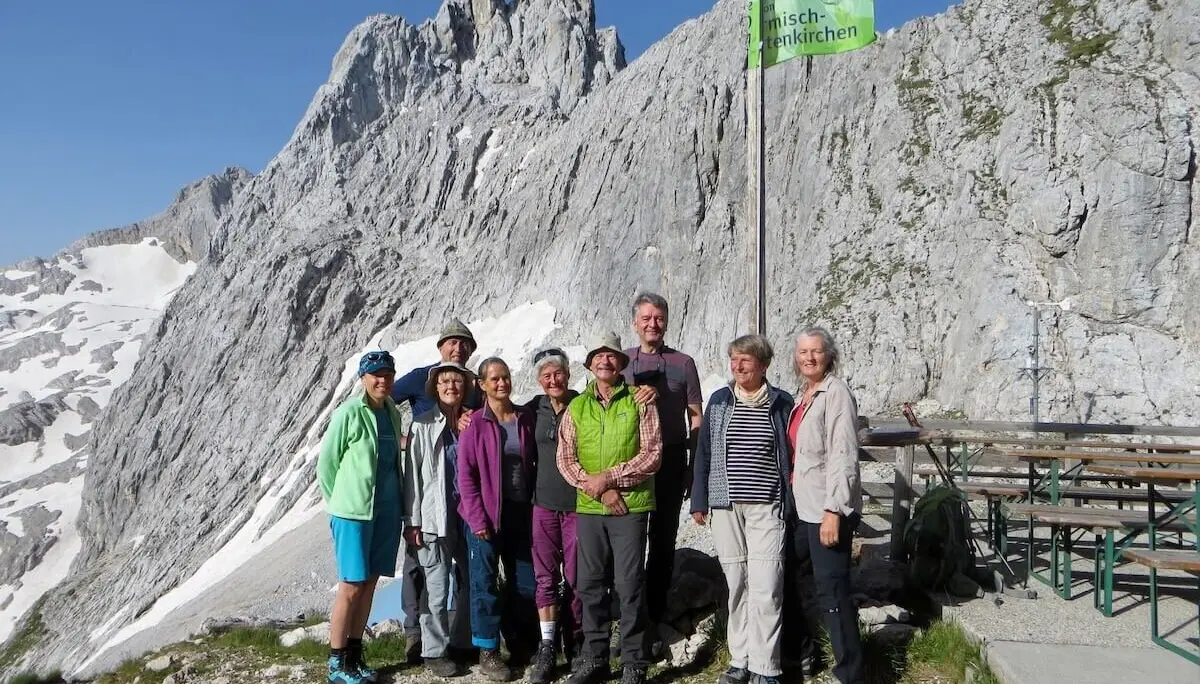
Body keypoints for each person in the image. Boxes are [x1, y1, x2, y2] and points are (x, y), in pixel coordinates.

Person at [558, 332, 662, 684]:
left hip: (630, 507)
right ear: (590, 365)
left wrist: (609, 478)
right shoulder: (576, 407)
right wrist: (599, 489)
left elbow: (652, 455)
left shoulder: (640, 401)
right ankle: (596, 657)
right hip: (591, 508)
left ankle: (634, 661)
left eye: (612, 356)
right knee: (588, 585)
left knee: (629, 585)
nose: (605, 361)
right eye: (598, 356)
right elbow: (565, 459)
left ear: (621, 363)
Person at [691, 335, 795, 684]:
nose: (737, 366)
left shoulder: (781, 403)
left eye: (745, 360)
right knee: (737, 583)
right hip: (726, 506)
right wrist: (699, 499)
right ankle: (740, 660)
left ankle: (766, 667)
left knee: (767, 585)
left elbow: (792, 453)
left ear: (763, 365)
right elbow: (704, 452)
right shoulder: (720, 400)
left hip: (768, 505)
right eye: (733, 359)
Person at [391, 318, 481, 662]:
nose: (458, 348)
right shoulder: (421, 379)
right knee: (423, 571)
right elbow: (385, 400)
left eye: (464, 344)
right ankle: (417, 637)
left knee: (461, 573)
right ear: (441, 346)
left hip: (461, 503)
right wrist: (401, 439)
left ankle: (458, 640)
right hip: (429, 498)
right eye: (452, 342)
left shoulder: (473, 388)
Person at [317, 350, 406, 684]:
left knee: (369, 584)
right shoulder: (349, 413)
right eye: (376, 375)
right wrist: (341, 502)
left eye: (387, 374)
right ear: (363, 378)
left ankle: (354, 657)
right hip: (353, 514)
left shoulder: (392, 412)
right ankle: (336, 663)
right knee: (351, 586)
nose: (382, 380)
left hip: (386, 511)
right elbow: (327, 464)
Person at [784, 327, 864, 684]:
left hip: (827, 509)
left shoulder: (836, 393)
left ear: (829, 355)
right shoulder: (805, 396)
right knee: (781, 572)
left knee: (832, 590)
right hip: (803, 509)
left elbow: (843, 453)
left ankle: (851, 675)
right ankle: (803, 652)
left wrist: (834, 510)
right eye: (803, 352)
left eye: (816, 351)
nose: (809, 358)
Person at [622, 293, 702, 641]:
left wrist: (693, 466)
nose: (652, 324)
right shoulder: (622, 362)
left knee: (663, 538)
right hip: (631, 460)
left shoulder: (683, 363)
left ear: (666, 322)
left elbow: (695, 417)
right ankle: (628, 616)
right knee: (629, 540)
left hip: (670, 457)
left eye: (658, 318)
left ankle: (654, 617)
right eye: (646, 318)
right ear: (635, 323)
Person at [457, 357, 539, 681]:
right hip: (486, 515)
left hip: (521, 511)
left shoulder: (525, 417)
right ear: (482, 385)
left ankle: (519, 643)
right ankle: (488, 650)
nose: (502, 383)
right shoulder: (474, 424)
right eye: (494, 379)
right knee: (484, 583)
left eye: (505, 377)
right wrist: (477, 519)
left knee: (525, 581)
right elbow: (465, 476)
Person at [403, 361, 477, 678]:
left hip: (469, 515)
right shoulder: (421, 426)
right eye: (444, 382)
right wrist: (412, 521)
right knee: (436, 585)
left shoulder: (473, 422)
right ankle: (434, 651)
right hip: (434, 517)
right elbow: (412, 478)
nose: (450, 387)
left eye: (456, 382)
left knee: (473, 581)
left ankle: (462, 643)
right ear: (435, 388)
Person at [524, 347, 583, 684]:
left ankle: (575, 642)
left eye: (558, 373)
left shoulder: (582, 405)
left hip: (577, 505)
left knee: (576, 577)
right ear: (539, 380)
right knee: (545, 577)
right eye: (546, 375)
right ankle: (547, 647)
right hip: (542, 504)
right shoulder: (533, 409)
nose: (553, 380)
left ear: (568, 375)